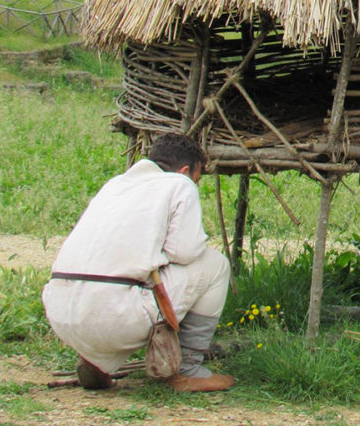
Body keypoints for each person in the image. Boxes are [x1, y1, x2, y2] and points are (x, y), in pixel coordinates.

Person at [42, 132, 235, 392]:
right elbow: (185, 252)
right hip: (112, 315)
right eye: (197, 179)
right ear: (186, 170)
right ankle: (187, 370)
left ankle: (96, 362)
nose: (195, 184)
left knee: (118, 280)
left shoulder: (115, 184)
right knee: (216, 265)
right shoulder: (179, 184)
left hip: (60, 311)